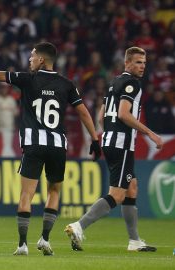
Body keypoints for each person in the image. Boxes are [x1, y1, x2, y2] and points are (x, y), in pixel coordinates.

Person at [0, 42, 101, 256]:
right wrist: (95, 140)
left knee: (26, 194)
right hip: (57, 145)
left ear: (41, 59)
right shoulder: (67, 84)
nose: (29, 60)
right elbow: (84, 112)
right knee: (54, 191)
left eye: (32, 56)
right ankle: (45, 239)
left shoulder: (28, 78)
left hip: (34, 143)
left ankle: (22, 245)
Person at [65, 47, 163, 252]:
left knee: (131, 187)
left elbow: (101, 117)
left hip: (110, 141)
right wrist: (150, 133)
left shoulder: (114, 83)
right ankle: (79, 226)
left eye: (144, 63)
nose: (142, 66)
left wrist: (109, 134)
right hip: (122, 145)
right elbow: (124, 115)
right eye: (137, 62)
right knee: (117, 196)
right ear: (127, 63)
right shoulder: (132, 84)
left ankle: (134, 241)